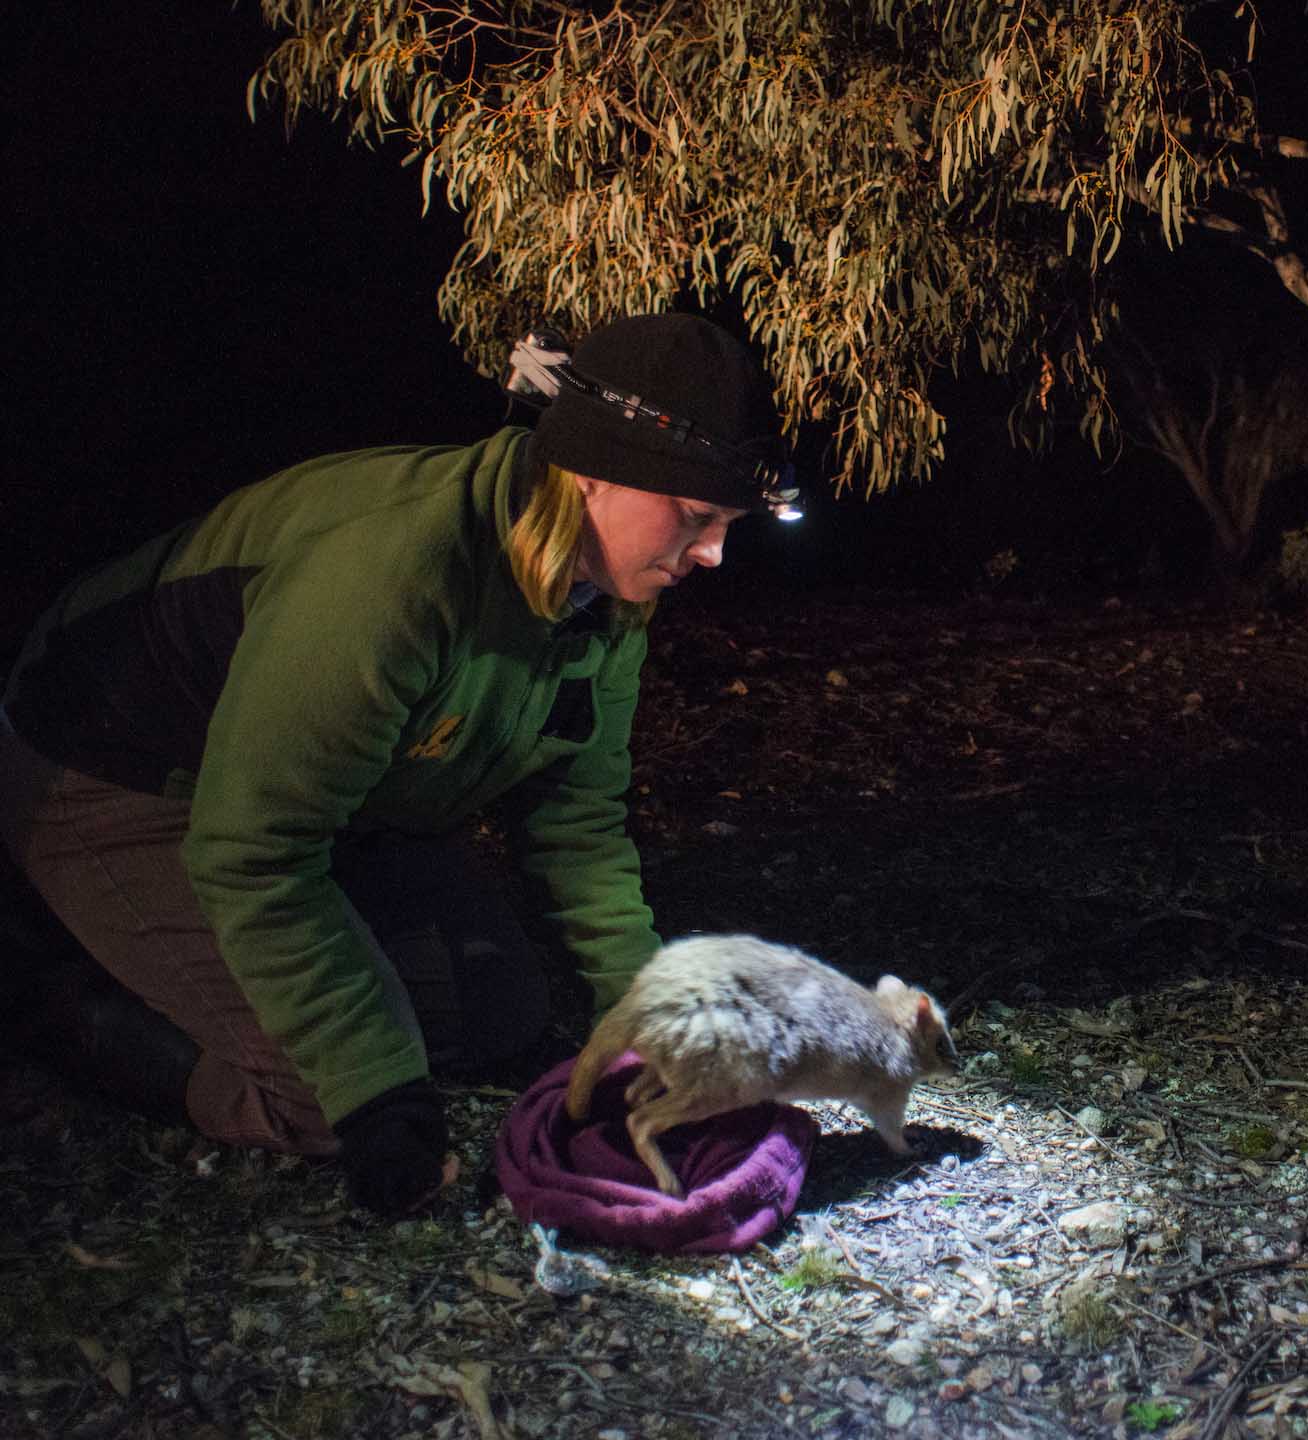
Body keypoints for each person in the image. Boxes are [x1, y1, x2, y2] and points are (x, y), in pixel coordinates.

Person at [0, 313, 803, 1216]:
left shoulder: (608, 598)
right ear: (592, 474)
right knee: (331, 1095)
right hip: (115, 768)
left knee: (496, 1011)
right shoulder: (399, 572)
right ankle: (44, 988)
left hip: (328, 802)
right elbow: (254, 848)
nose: (713, 553)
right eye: (697, 517)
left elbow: (576, 825)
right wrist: (376, 1091)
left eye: (727, 524)